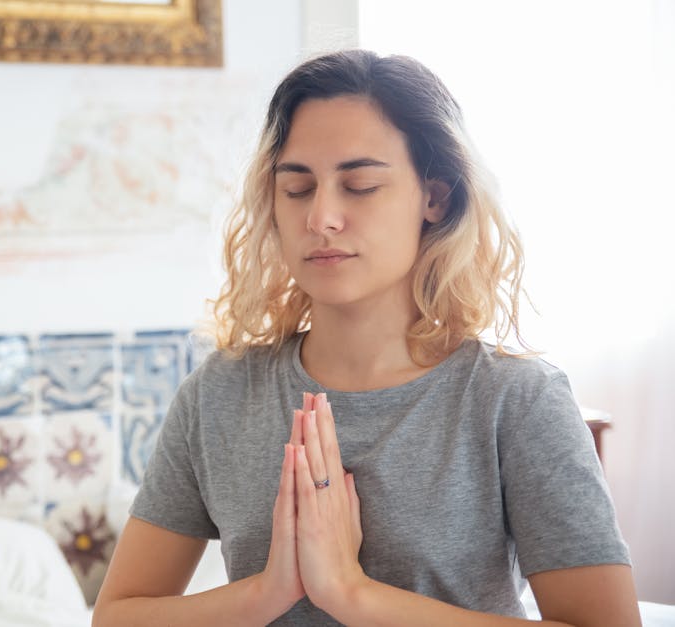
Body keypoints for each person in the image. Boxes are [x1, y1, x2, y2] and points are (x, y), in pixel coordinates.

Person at [92, 49, 639, 626]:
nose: (321, 217)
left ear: (435, 197)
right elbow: (116, 617)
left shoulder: (518, 400)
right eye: (297, 188)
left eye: (360, 185)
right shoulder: (218, 396)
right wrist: (267, 592)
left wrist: (351, 593)